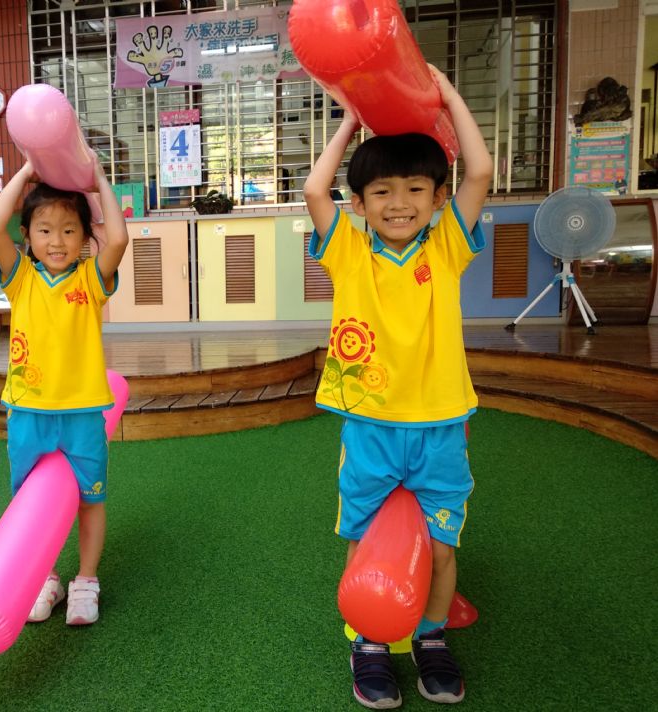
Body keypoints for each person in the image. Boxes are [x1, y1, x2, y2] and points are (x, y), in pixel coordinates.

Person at [303, 65, 492, 709]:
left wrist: (450, 96)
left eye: (415, 188)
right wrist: (350, 122)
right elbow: (315, 188)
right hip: (371, 428)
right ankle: (368, 644)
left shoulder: (447, 248)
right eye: (381, 191)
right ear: (360, 204)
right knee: (364, 543)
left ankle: (431, 638)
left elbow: (479, 173)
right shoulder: (348, 252)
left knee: (441, 550)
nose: (399, 202)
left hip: (440, 427)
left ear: (437, 197)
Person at [0, 157, 129, 626]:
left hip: (83, 413)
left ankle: (86, 581)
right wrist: (26, 173)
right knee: (31, 506)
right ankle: (44, 578)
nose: (57, 241)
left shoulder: (91, 279)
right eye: (44, 230)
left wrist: (99, 181)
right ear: (27, 235)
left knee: (90, 499)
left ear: (85, 237)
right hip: (28, 411)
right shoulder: (21, 277)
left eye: (69, 231)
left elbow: (119, 239)